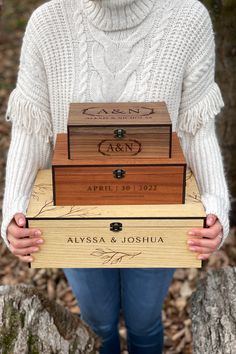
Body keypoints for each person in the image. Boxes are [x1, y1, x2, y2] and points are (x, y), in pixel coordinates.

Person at [1, 0, 230, 353]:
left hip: (159, 210)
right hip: (73, 212)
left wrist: (215, 206)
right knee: (98, 322)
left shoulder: (187, 19)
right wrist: (14, 213)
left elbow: (197, 126)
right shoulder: (48, 23)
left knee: (144, 321)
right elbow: (32, 127)